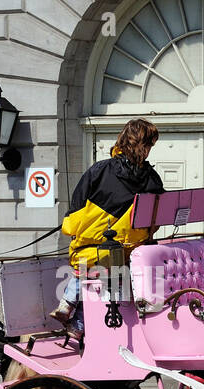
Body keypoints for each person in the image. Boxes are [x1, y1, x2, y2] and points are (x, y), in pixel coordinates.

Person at [50, 118, 165, 323]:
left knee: (92, 269)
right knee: (102, 272)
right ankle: (76, 319)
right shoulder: (150, 179)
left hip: (98, 250)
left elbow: (75, 211)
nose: (148, 150)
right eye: (146, 144)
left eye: (151, 146)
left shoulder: (100, 170)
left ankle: (70, 309)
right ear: (135, 143)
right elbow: (160, 213)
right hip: (128, 253)